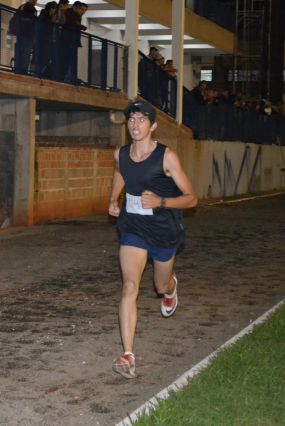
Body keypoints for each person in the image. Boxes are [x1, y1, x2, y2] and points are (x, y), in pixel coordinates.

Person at [108, 101, 197, 379]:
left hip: (163, 229)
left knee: (160, 285)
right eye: (131, 119)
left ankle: (171, 288)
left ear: (153, 125)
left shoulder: (166, 157)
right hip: (133, 227)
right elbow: (120, 172)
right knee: (129, 286)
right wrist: (113, 199)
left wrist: (162, 201)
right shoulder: (121, 154)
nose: (135, 124)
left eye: (141, 119)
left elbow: (192, 198)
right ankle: (128, 356)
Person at [12, 0, 38, 74]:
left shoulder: (22, 7)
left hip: (21, 33)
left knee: (20, 51)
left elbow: (18, 18)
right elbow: (34, 21)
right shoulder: (31, 9)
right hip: (28, 34)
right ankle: (23, 70)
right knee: (26, 52)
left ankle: (18, 68)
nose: (35, 1)